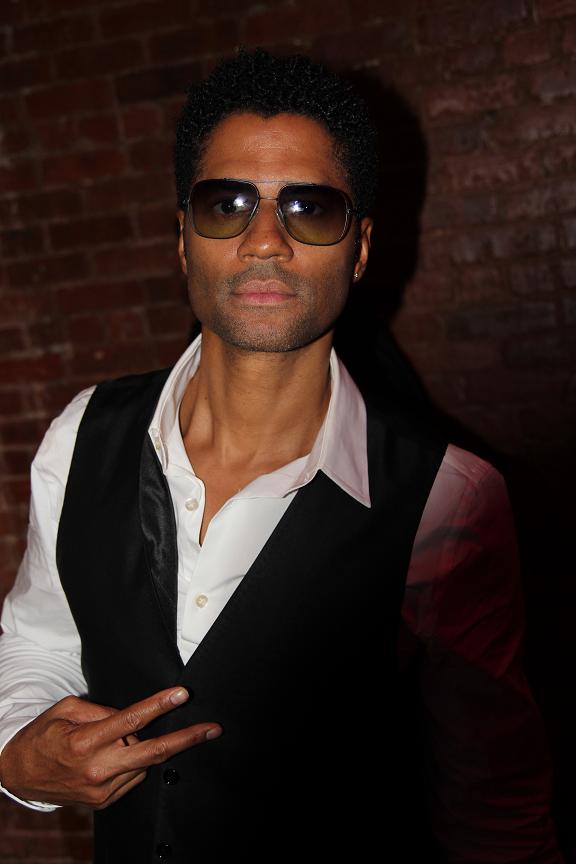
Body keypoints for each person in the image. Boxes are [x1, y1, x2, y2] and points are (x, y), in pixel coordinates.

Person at [0, 48, 563, 863]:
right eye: (227, 203)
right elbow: (41, 638)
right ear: (183, 239)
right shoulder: (81, 434)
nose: (265, 241)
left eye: (311, 207)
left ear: (360, 248)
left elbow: (493, 804)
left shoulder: (450, 499)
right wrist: (18, 752)